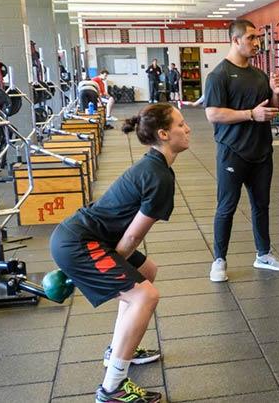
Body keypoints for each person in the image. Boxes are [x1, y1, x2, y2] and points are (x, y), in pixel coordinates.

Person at [49, 103, 190, 403]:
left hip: (86, 237)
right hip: (79, 242)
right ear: (164, 134)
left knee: (146, 273)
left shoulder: (155, 165)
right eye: (180, 125)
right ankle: (112, 387)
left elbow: (129, 240)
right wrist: (92, 268)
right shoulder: (158, 176)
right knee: (145, 295)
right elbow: (133, 236)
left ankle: (118, 348)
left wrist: (112, 269)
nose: (187, 128)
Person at [204, 19, 279, 282]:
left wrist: (277, 93)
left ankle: (263, 254)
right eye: (251, 38)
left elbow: (272, 110)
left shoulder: (259, 75)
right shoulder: (218, 75)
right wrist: (250, 114)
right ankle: (219, 260)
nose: (257, 43)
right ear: (235, 40)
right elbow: (213, 113)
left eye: (257, 38)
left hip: (262, 152)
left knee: (261, 205)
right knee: (226, 208)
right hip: (232, 152)